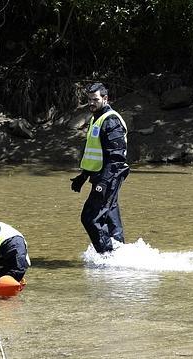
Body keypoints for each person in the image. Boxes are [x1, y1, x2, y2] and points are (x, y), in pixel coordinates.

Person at [70, 82, 129, 253]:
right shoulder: (96, 118)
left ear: (105, 98)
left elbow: (116, 157)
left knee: (89, 218)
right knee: (110, 217)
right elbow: (95, 154)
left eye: (95, 99)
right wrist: (83, 176)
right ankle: (121, 253)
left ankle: (106, 256)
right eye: (89, 100)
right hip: (102, 175)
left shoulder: (110, 120)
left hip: (110, 176)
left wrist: (102, 183)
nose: (91, 103)